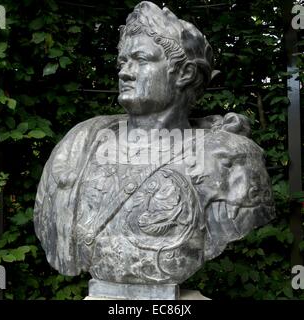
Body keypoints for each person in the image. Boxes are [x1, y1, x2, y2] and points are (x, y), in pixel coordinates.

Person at [34, 2, 274, 287]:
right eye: (122, 62)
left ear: (184, 74)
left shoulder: (229, 160)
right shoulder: (80, 144)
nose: (125, 72)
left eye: (141, 59)